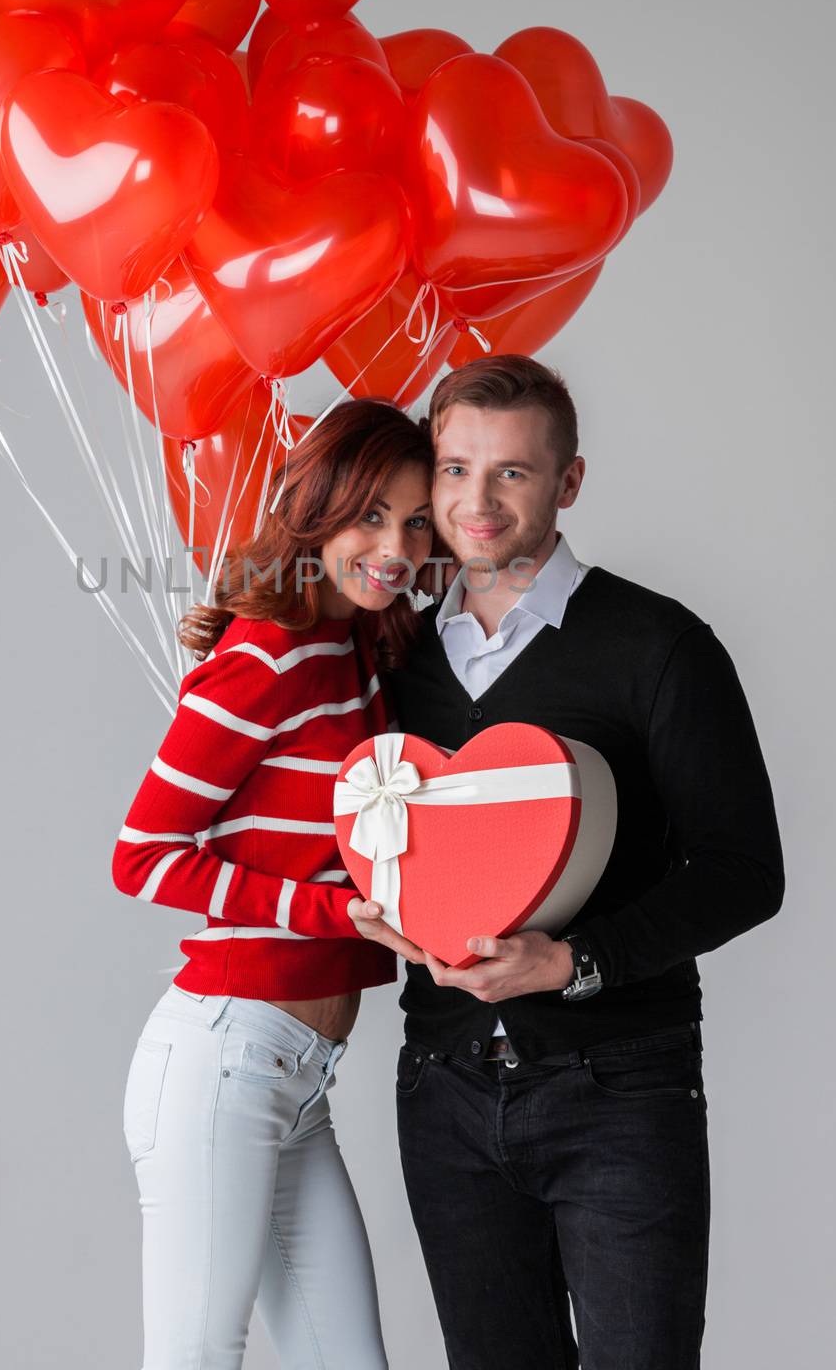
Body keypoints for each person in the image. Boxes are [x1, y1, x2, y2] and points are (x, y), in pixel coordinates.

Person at [348, 355, 785, 1370]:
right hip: (443, 1086)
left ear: (567, 482)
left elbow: (741, 868)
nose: (476, 501)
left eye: (513, 473)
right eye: (454, 469)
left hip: (620, 1088)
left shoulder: (657, 646)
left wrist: (568, 960)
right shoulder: (392, 648)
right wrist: (366, 905)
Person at [111, 397, 435, 1370]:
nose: (393, 546)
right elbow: (141, 854)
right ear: (315, 508)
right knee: (197, 1358)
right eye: (368, 515)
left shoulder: (358, 644)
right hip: (222, 1063)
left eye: (415, 520)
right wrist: (335, 912)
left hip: (298, 1081)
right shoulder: (268, 652)